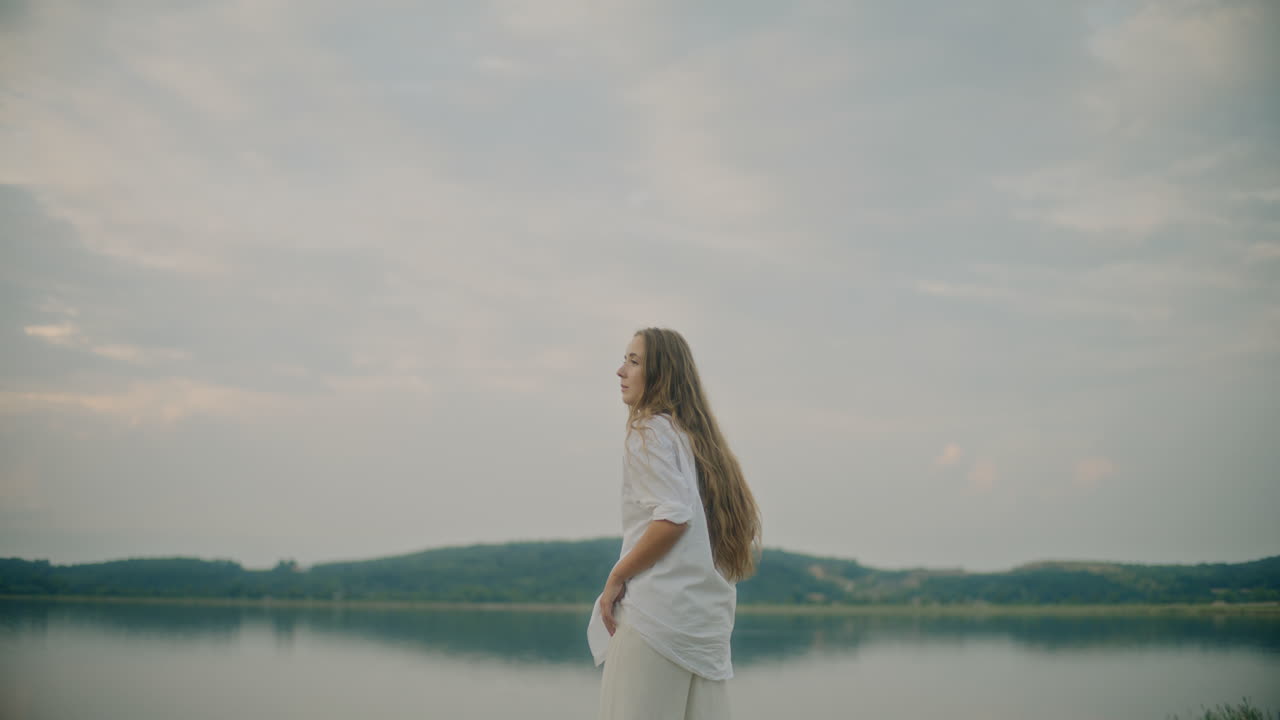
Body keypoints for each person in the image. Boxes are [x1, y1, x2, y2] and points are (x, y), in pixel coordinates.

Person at [587, 327, 763, 720]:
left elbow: (673, 518)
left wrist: (617, 576)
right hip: (703, 627)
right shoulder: (702, 444)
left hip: (655, 621)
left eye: (634, 361)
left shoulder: (647, 430)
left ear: (661, 375)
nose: (620, 371)